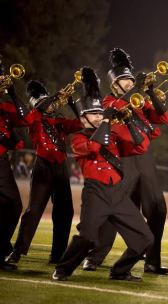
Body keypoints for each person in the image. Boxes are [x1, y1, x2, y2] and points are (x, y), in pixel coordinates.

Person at [52, 66, 153, 282]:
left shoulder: (113, 134)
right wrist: (107, 121)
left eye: (100, 113)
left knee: (145, 238)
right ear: (83, 118)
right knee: (87, 237)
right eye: (93, 114)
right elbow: (95, 147)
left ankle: (120, 271)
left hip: (117, 193)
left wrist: (128, 121)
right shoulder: (78, 138)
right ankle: (62, 269)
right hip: (95, 192)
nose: (98, 117)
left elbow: (141, 146)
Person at [83, 48, 168, 275]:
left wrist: (149, 92)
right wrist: (134, 93)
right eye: (125, 80)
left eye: (132, 79)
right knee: (114, 209)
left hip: (145, 160)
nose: (130, 83)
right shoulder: (109, 101)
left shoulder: (139, 101)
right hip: (123, 160)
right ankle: (95, 257)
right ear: (115, 85)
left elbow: (163, 118)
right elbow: (111, 112)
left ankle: (152, 261)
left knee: (158, 210)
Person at [6, 79, 82, 265]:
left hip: (61, 168)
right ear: (39, 105)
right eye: (46, 103)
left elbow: (81, 123)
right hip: (43, 167)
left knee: (65, 212)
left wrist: (72, 103)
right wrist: (51, 98)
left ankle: (57, 255)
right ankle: (17, 251)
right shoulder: (34, 119)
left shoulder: (59, 121)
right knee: (33, 211)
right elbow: (26, 118)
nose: (52, 105)